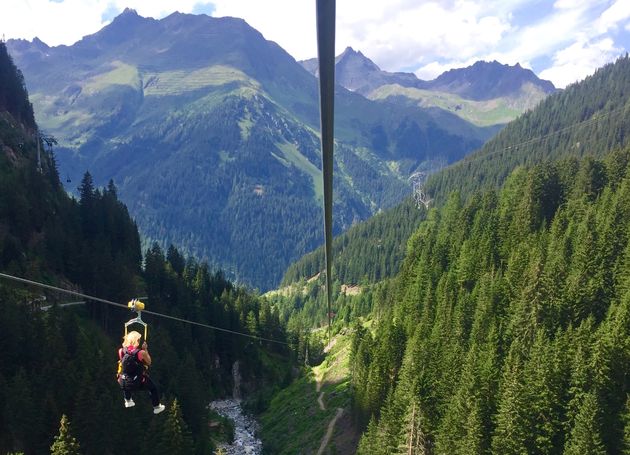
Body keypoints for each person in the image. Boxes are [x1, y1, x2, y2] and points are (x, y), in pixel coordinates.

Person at [117, 331, 165, 414]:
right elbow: (149, 362)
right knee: (153, 388)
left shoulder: (121, 351)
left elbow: (122, 361)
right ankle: (156, 407)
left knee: (125, 377)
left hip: (125, 382)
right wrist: (145, 349)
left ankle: (128, 400)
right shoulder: (140, 353)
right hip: (138, 382)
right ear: (137, 341)